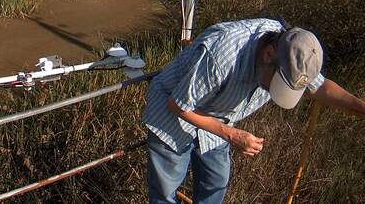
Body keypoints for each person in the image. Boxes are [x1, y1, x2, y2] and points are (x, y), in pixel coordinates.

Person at [143, 18, 365, 204]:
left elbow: (321, 88)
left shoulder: (296, 57)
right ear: (268, 55)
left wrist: (360, 107)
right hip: (172, 115)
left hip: (217, 117)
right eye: (275, 83)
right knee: (166, 189)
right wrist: (232, 134)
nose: (272, 91)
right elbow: (178, 105)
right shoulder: (223, 56)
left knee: (215, 182)